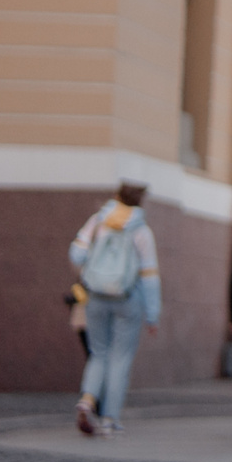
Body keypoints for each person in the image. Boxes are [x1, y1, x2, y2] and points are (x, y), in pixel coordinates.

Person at [70, 182, 161, 436]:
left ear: (116, 196)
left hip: (96, 295)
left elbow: (76, 254)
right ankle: (110, 418)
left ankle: (87, 399)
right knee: (120, 358)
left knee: (98, 352)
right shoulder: (141, 231)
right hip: (127, 298)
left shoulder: (98, 221)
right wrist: (153, 314)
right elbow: (149, 275)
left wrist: (90, 271)